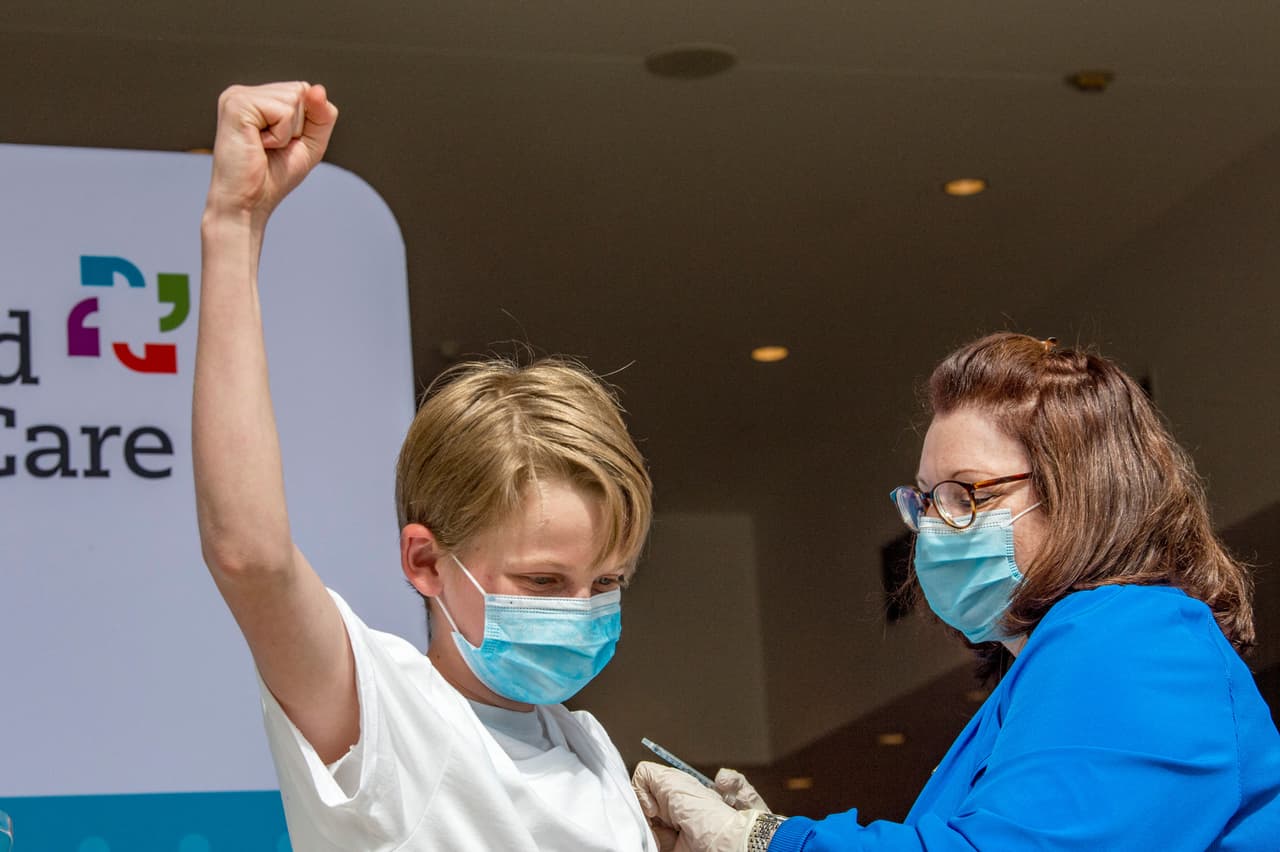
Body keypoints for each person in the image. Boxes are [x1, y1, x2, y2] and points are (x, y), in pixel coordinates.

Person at [194, 81, 658, 850]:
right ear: (425, 560)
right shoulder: (385, 713)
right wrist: (233, 224)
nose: (581, 612)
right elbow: (251, 555)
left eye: (605, 583)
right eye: (544, 582)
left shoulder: (589, 749)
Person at [632, 332, 1280, 851]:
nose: (932, 529)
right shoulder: (1050, 669)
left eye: (965, 494)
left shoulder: (1135, 637)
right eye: (925, 501)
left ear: (1080, 492)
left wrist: (768, 842)